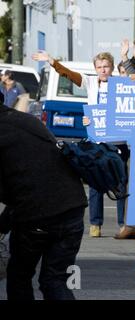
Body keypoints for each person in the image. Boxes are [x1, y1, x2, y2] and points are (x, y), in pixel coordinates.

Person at [31, 50, 135, 239]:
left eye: (106, 67)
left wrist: (131, 60)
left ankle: (124, 224)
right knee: (96, 181)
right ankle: (95, 223)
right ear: (95, 69)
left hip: (118, 140)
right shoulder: (90, 83)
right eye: (99, 67)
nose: (103, 70)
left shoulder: (121, 84)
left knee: (120, 182)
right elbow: (68, 74)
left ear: (112, 68)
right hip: (97, 140)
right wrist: (51, 61)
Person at [0, 92, 87, 300]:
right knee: (55, 280)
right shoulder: (27, 120)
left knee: (19, 277)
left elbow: (14, 189)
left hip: (38, 213)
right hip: (73, 206)